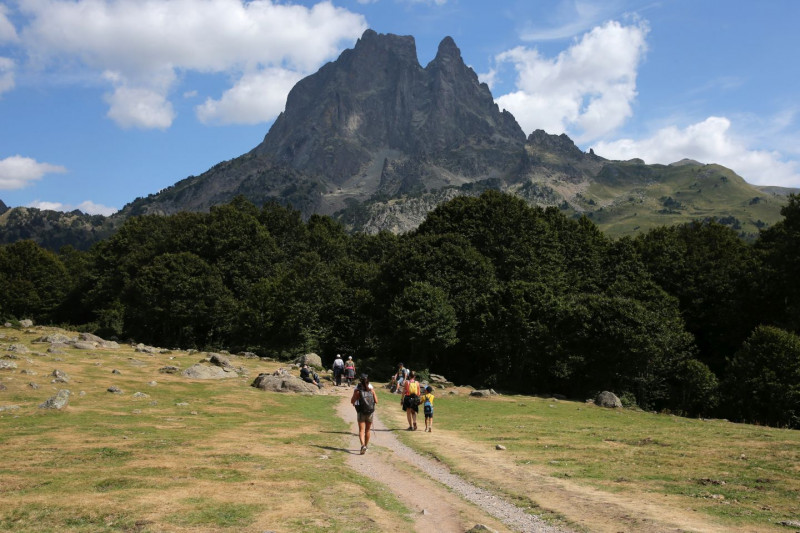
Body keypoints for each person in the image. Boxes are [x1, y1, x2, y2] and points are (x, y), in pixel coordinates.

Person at [351, 374, 378, 454]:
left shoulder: (357, 391)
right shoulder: (371, 390)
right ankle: (366, 445)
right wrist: (373, 394)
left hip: (361, 412)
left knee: (361, 430)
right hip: (370, 412)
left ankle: (363, 445)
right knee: (367, 430)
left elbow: (352, 401)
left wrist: (355, 398)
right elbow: (376, 401)